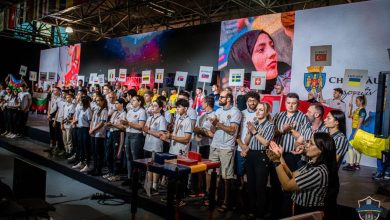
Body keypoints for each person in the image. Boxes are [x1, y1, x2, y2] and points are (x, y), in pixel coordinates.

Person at [267, 132, 339, 219]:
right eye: (308, 141)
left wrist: (276, 162)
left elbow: (287, 186)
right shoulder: (312, 164)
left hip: (308, 213)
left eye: (311, 143)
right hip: (299, 209)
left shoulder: (318, 172)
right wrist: (280, 156)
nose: (306, 145)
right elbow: (292, 175)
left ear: (321, 150)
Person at [271, 92, 309, 218]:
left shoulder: (303, 117)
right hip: (277, 154)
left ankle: (286, 214)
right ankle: (274, 212)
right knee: (275, 184)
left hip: (292, 156)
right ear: (285, 103)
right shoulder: (279, 115)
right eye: (288, 103)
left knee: (288, 185)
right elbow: (272, 134)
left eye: (293, 103)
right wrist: (282, 130)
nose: (290, 106)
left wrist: (291, 130)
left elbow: (304, 138)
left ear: (298, 104)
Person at [238, 102, 274, 219]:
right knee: (251, 185)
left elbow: (266, 143)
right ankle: (251, 210)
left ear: (267, 112)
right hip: (251, 154)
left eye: (261, 110)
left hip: (261, 156)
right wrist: (249, 132)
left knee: (260, 186)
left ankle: (260, 213)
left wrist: (254, 132)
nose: (257, 112)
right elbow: (246, 141)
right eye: (257, 109)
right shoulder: (255, 123)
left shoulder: (270, 125)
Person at [227, 30, 291, 94]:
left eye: (272, 46)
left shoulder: (287, 74)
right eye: (261, 49)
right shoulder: (238, 95)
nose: (273, 52)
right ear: (244, 61)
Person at [209, 90, 242, 212]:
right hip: (215, 145)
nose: (219, 99)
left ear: (228, 99)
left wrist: (218, 123)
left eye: (222, 97)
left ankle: (226, 202)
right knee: (213, 174)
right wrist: (213, 124)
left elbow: (233, 130)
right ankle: (214, 197)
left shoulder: (235, 112)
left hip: (226, 147)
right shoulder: (218, 110)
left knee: (226, 177)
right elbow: (213, 130)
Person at [143, 99, 167, 194]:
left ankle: (154, 186)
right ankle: (148, 186)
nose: (153, 107)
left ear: (160, 108)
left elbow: (161, 134)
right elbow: (145, 130)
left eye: (155, 106)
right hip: (148, 144)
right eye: (152, 105)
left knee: (155, 166)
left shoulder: (162, 119)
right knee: (149, 165)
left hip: (156, 145)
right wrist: (144, 131)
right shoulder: (150, 118)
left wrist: (148, 131)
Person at [122, 95, 147, 186]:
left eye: (134, 100)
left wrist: (128, 123)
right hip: (128, 134)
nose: (132, 102)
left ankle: (137, 179)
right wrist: (124, 124)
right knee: (128, 157)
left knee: (136, 158)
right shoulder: (130, 111)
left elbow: (141, 126)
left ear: (139, 102)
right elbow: (127, 124)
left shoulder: (142, 112)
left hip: (136, 136)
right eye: (131, 100)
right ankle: (130, 178)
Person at [343, 94, 367, 171]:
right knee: (357, 148)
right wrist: (351, 107)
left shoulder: (362, 110)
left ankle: (351, 164)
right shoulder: (356, 110)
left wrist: (355, 133)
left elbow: (360, 123)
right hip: (355, 130)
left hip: (358, 130)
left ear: (361, 101)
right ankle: (356, 164)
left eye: (357, 101)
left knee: (350, 146)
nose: (355, 102)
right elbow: (349, 116)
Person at [88, 94, 108, 176]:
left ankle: (98, 169)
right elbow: (92, 120)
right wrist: (90, 128)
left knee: (99, 153)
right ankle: (94, 168)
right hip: (93, 133)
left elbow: (102, 123)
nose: (97, 102)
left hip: (99, 134)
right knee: (94, 152)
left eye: (99, 100)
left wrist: (93, 129)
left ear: (103, 101)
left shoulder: (104, 110)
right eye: (96, 100)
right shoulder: (96, 109)